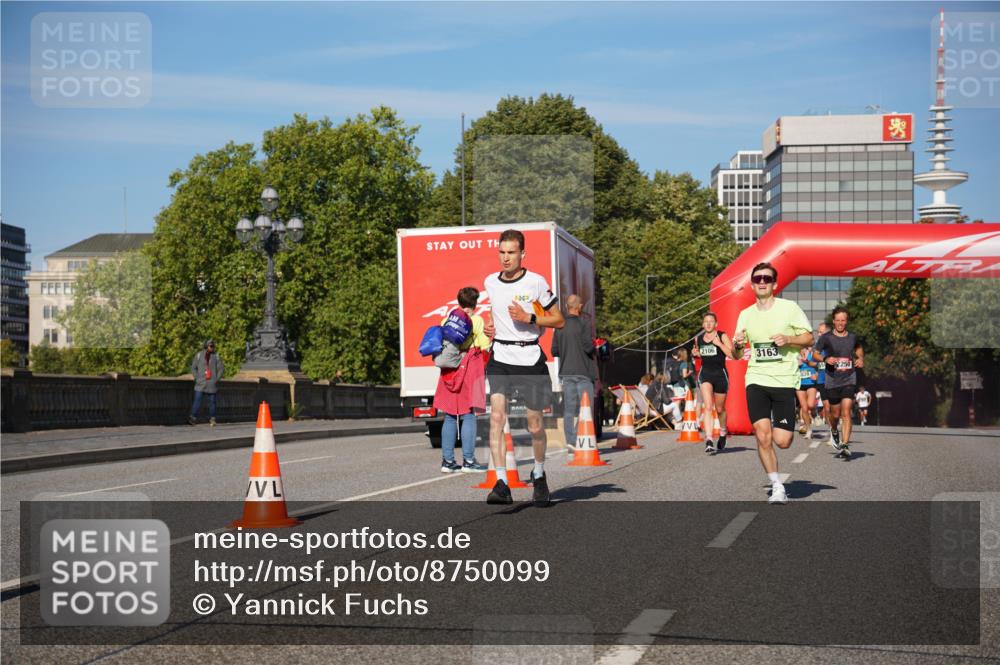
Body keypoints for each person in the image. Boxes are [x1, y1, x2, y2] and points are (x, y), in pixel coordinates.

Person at [482, 229, 565, 507]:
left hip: (530, 358)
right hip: (501, 357)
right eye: (501, 252)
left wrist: (530, 317)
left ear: (522, 254)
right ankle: (502, 482)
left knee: (535, 425)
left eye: (511, 252)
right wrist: (491, 325)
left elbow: (558, 319)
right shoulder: (490, 282)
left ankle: (539, 474)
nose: (505, 258)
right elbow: (495, 312)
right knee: (496, 419)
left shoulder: (535, 283)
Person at [731, 262, 813, 505]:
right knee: (762, 435)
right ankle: (777, 486)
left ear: (775, 284)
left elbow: (809, 338)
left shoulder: (789, 309)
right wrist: (737, 344)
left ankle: (786, 425)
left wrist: (788, 338)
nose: (762, 282)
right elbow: (736, 355)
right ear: (753, 284)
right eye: (758, 279)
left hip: (785, 380)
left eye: (767, 278)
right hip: (756, 379)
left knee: (783, 441)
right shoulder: (745, 315)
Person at [433, 287, 490, 473]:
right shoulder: (477, 320)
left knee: (450, 415)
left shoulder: (446, 320)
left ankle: (447, 461)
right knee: (469, 414)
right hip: (470, 368)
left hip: (450, 370)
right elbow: (484, 345)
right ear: (475, 303)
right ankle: (468, 460)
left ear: (459, 302)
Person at [814, 306, 864, 458]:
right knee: (835, 414)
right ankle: (834, 430)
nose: (841, 323)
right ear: (834, 321)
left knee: (846, 412)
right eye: (838, 320)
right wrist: (825, 359)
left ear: (846, 321)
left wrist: (860, 358)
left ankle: (845, 444)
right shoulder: (826, 338)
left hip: (849, 378)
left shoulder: (853, 337)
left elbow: (858, 348)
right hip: (832, 380)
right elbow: (815, 354)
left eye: (844, 320)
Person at [551, 294, 597, 453]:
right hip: (583, 372)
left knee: (569, 409)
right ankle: (580, 437)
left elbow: (554, 351)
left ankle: (570, 441)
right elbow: (587, 347)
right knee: (587, 407)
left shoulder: (559, 326)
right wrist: (595, 346)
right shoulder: (584, 323)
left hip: (566, 373)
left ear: (566, 307)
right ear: (580, 306)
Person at [691, 312, 732, 454]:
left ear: (716, 324)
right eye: (706, 321)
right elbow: (701, 354)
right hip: (705, 374)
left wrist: (719, 344)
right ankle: (708, 439)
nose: (708, 324)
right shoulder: (699, 339)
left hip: (721, 375)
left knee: (720, 409)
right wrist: (695, 354)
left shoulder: (722, 335)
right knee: (708, 406)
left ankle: (723, 432)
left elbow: (732, 354)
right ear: (703, 324)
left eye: (711, 321)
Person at [189, 340, 224, 426]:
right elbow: (193, 367)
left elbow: (221, 369)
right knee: (197, 401)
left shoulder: (216, 356)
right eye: (210, 346)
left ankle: (212, 419)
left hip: (211, 383)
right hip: (200, 383)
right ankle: (192, 418)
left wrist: (216, 379)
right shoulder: (199, 355)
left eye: (213, 346)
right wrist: (197, 378)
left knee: (212, 402)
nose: (212, 348)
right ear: (206, 346)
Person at [795, 346, 820, 440]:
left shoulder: (812, 354)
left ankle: (815, 413)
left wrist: (817, 374)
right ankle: (809, 430)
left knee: (810, 405)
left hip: (811, 382)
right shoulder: (795, 354)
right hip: (799, 383)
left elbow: (819, 365)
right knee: (804, 407)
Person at [815, 322, 830, 427]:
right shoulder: (817, 348)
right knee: (827, 407)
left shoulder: (833, 347)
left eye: (821, 332)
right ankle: (832, 434)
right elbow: (815, 363)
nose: (819, 335)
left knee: (833, 408)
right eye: (818, 332)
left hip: (833, 380)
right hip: (821, 380)